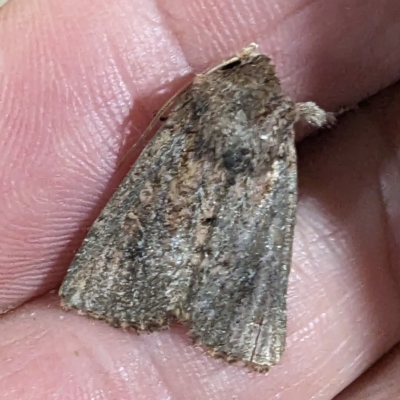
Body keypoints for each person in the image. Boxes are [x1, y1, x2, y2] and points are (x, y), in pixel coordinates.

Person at [1, 0, 400, 398]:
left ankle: (119, 293)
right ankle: (229, 324)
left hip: (178, 171)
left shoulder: (205, 104)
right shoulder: (277, 120)